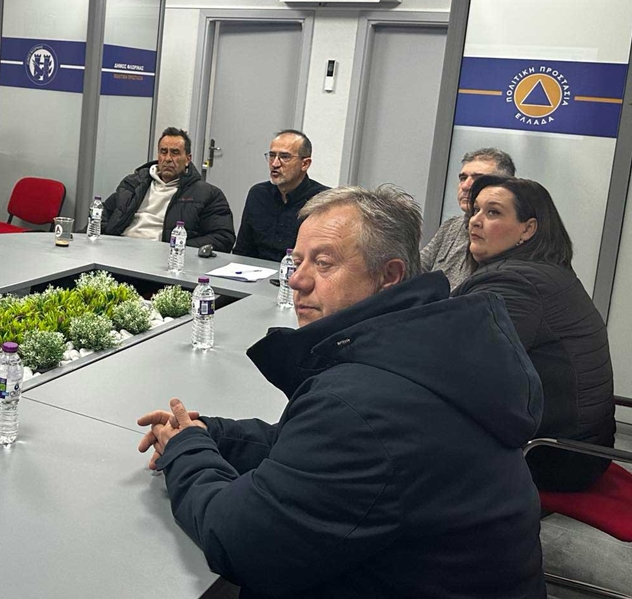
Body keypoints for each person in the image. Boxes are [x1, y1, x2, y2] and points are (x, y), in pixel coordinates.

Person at [137, 185, 545, 599]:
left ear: (389, 276)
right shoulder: (426, 351)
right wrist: (212, 434)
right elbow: (310, 452)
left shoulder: (364, 406)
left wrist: (185, 452)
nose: (296, 279)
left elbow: (239, 542)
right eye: (298, 261)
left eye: (324, 263)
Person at [455, 176, 615, 492]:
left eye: (493, 212)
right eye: (475, 210)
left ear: (528, 229)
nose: (475, 220)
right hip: (579, 444)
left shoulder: (518, 284)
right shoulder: (542, 271)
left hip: (552, 455)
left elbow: (460, 364)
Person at [100, 127, 234, 251]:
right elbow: (102, 212)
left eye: (175, 153)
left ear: (188, 159)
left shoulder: (207, 194)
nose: (168, 159)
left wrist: (177, 247)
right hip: (119, 249)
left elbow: (223, 237)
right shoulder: (135, 183)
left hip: (164, 256)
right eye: (163, 152)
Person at [421, 147, 515, 290]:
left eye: (478, 179)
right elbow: (416, 269)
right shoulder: (451, 225)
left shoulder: (506, 233)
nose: (465, 186)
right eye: (463, 178)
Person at [232, 129, 328, 261]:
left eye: (285, 157)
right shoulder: (258, 194)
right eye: (272, 156)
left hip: (297, 271)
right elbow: (243, 250)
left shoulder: (322, 201)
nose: (275, 164)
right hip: (256, 270)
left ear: (305, 164)